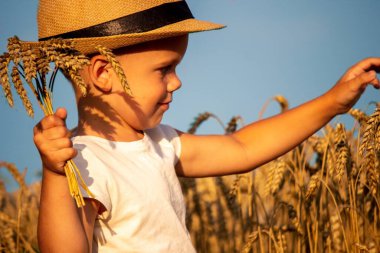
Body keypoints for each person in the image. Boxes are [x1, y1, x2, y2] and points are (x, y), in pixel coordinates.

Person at [30, 0, 380, 252]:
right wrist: (56, 173)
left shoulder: (160, 143)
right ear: (104, 74)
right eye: (165, 69)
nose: (177, 82)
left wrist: (333, 101)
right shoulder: (87, 164)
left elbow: (243, 148)